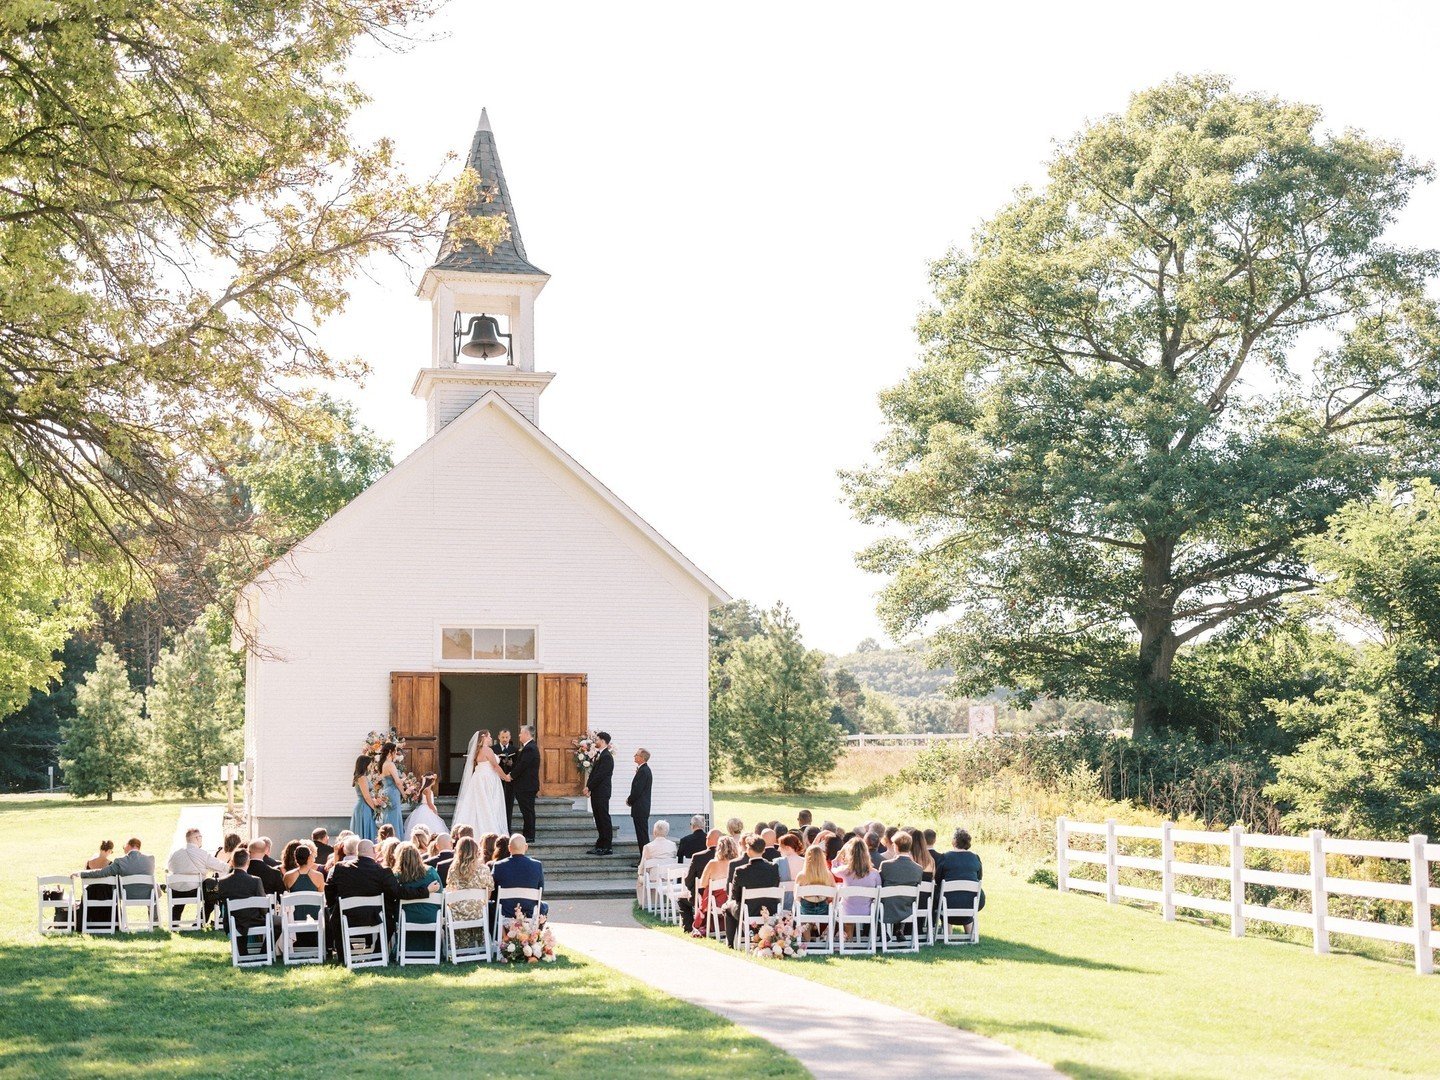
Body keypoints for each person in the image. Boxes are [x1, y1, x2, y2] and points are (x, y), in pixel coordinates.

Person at [324, 837, 438, 953]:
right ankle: (378, 952)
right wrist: (425, 891)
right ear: (373, 851)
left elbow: (328, 889)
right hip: (375, 918)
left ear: (358, 852)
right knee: (390, 921)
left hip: (346, 917)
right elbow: (399, 892)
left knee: (335, 916)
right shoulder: (383, 871)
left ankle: (345, 954)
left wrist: (334, 906)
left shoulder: (340, 868)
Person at [725, 835, 781, 948]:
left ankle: (730, 943)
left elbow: (735, 895)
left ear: (748, 850)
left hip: (748, 910)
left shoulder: (740, 870)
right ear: (763, 850)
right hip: (770, 909)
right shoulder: (773, 867)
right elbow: (776, 886)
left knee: (727, 907)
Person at [453, 729, 510, 836]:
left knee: (477, 805)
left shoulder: (477, 750)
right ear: (484, 737)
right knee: (489, 804)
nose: (491, 738)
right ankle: (490, 831)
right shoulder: (487, 750)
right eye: (489, 736)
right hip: (488, 779)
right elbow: (495, 765)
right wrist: (505, 777)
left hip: (478, 778)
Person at [444, 836, 495, 951]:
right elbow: (489, 893)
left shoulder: (453, 869)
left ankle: (459, 949)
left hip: (458, 914)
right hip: (478, 913)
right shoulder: (484, 869)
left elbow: (451, 891)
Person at [166, 827, 227, 923]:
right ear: (197, 838)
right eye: (201, 837)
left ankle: (175, 921)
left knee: (183, 885)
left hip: (176, 891)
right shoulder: (202, 854)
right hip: (195, 891)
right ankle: (201, 920)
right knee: (211, 893)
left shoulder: (175, 853)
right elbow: (220, 866)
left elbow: (169, 868)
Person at [216, 849, 268, 952]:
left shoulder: (222, 882)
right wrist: (264, 914)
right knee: (279, 923)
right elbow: (263, 908)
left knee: (241, 917)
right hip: (254, 920)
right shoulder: (255, 880)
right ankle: (264, 951)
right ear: (248, 862)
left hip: (233, 920)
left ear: (232, 862)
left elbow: (222, 902)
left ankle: (242, 951)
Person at [933, 827, 985, 926]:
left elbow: (938, 879)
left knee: (941, 895)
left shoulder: (945, 857)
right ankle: (970, 934)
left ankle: (947, 933)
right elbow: (979, 878)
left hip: (949, 902)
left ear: (955, 841)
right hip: (973, 901)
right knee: (963, 898)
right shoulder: (975, 858)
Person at [393, 841, 440, 950]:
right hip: (430, 915)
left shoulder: (397, 877)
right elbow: (439, 893)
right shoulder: (431, 872)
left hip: (407, 916)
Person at [832, 838, 880, 942]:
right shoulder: (875, 873)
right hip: (867, 911)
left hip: (847, 912)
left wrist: (837, 858)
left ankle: (848, 941)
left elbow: (833, 869)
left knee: (846, 905)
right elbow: (878, 890)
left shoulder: (845, 870)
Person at [491, 833, 547, 922]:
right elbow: (541, 891)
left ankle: (498, 934)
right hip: (529, 912)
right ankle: (534, 934)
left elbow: (493, 893)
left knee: (490, 906)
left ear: (509, 848)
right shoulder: (537, 865)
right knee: (544, 906)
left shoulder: (498, 866)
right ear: (526, 847)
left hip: (505, 912)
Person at [878, 831, 924, 935]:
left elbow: (880, 884)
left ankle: (883, 933)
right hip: (907, 908)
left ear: (896, 846)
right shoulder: (918, 868)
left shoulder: (885, 865)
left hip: (888, 907)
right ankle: (899, 929)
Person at [80, 837, 155, 899]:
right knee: (154, 889)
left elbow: (102, 872)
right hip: (148, 895)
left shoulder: (120, 861)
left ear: (128, 845)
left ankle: (121, 916)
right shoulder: (150, 859)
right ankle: (155, 917)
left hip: (126, 895)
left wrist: (81, 873)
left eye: (124, 847)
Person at [692, 835, 737, 937]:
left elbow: (702, 884)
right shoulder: (736, 864)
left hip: (715, 902)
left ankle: (704, 924)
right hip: (731, 900)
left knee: (707, 892)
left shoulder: (712, 864)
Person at [677, 828, 719, 928]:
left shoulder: (698, 857)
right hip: (721, 897)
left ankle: (689, 927)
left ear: (707, 840)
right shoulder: (727, 858)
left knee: (681, 899)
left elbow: (688, 881)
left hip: (701, 896)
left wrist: (694, 890)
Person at [583, 730, 615, 856]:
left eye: (597, 739)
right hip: (597, 791)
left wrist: (589, 787)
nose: (595, 742)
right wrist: (588, 787)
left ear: (602, 741)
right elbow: (594, 773)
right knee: (598, 818)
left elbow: (600, 775)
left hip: (602, 792)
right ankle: (600, 843)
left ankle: (607, 845)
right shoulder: (600, 755)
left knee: (603, 818)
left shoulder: (607, 757)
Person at [795, 844, 835, 941]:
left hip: (806, 910)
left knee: (803, 916)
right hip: (824, 910)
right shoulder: (828, 875)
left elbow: (796, 897)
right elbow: (833, 895)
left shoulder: (801, 875)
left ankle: (807, 942)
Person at [635, 820, 678, 902]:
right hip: (669, 876)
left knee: (640, 880)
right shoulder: (673, 845)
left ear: (654, 832)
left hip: (653, 877)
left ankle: (644, 902)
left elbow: (643, 865)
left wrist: (640, 872)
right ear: (666, 832)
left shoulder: (648, 847)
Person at [510, 725, 540, 842]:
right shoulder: (529, 747)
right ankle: (527, 834)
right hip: (526, 785)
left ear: (527, 734)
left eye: (521, 733)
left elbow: (523, 765)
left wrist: (511, 775)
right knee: (527, 811)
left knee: (527, 811)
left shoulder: (530, 748)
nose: (519, 735)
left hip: (526, 786)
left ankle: (529, 836)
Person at [374, 742, 406, 837]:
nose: (396, 753)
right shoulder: (390, 764)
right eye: (395, 751)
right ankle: (395, 838)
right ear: (390, 752)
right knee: (394, 817)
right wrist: (404, 794)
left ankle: (386, 837)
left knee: (389, 816)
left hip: (386, 791)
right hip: (393, 792)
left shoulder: (382, 764)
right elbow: (397, 782)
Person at [626, 747, 653, 857]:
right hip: (641, 808)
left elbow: (637, 789)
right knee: (641, 834)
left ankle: (644, 859)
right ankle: (644, 858)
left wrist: (629, 800)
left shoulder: (643, 771)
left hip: (640, 808)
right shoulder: (643, 770)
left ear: (642, 758)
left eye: (636, 755)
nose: (634, 756)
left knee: (642, 835)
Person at [405, 774, 447, 839]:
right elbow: (429, 803)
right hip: (427, 808)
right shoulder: (428, 790)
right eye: (434, 780)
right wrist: (435, 811)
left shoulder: (425, 789)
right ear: (431, 781)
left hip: (423, 808)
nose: (435, 782)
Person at [349, 754, 378, 841]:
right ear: (365, 764)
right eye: (370, 764)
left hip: (365, 806)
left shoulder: (363, 777)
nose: (371, 766)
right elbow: (366, 797)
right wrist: (375, 809)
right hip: (363, 807)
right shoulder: (362, 778)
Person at [495, 728, 518, 832]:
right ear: (499, 737)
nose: (504, 739)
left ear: (510, 737)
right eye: (503, 737)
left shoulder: (515, 749)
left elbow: (518, 765)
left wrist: (511, 764)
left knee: (509, 806)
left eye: (507, 737)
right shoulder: (493, 749)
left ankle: (507, 829)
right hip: (497, 780)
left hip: (510, 782)